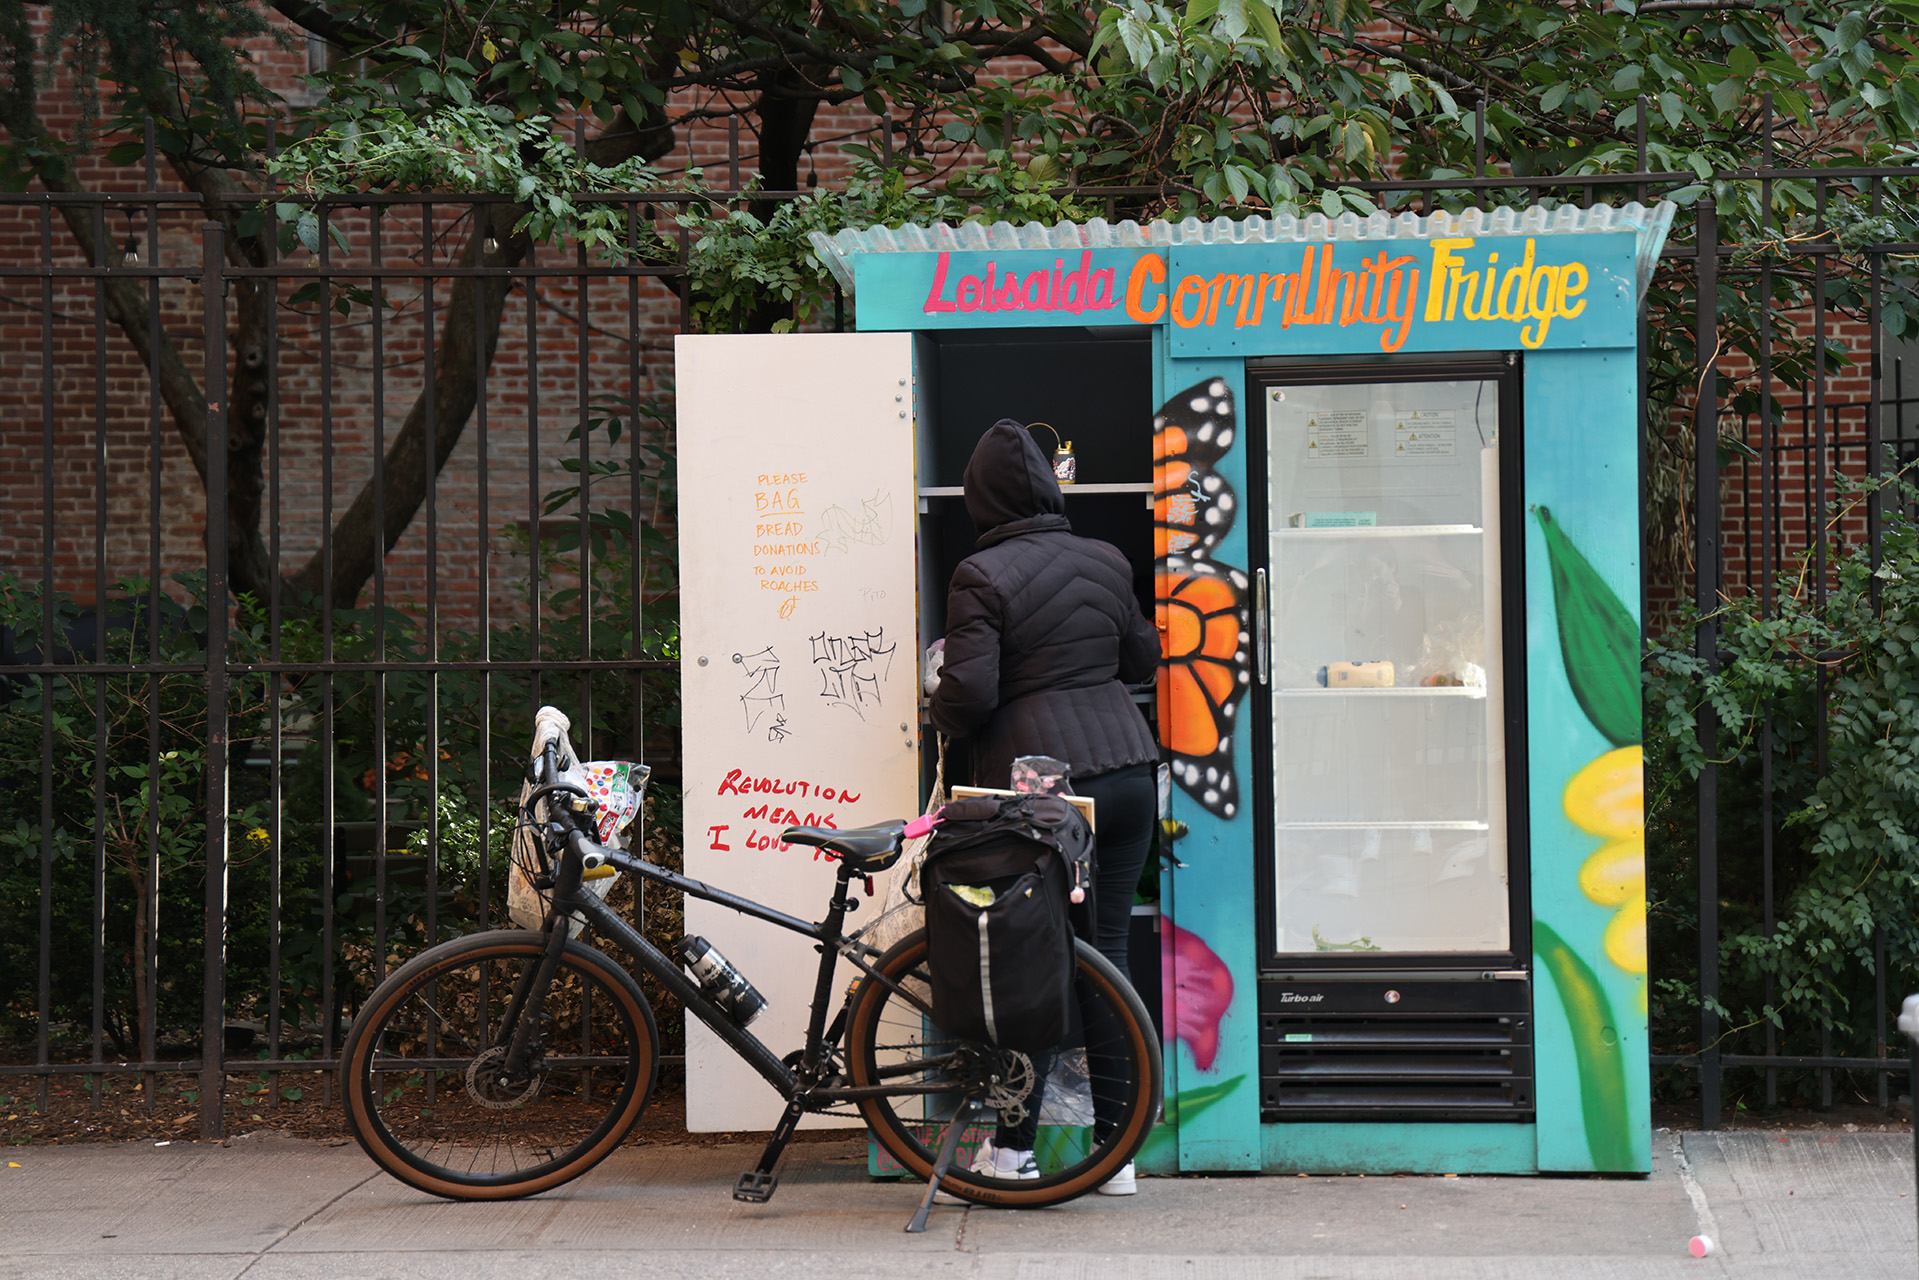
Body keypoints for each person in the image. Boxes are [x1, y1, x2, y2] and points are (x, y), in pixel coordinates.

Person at [928, 418, 1160, 1197]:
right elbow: (1142, 657)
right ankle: (1116, 1155)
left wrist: (940, 709)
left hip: (1042, 789)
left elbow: (970, 694)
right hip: (1127, 772)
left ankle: (1013, 1151)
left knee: (1031, 962)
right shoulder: (1105, 557)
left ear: (980, 497)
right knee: (1109, 958)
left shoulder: (979, 574)